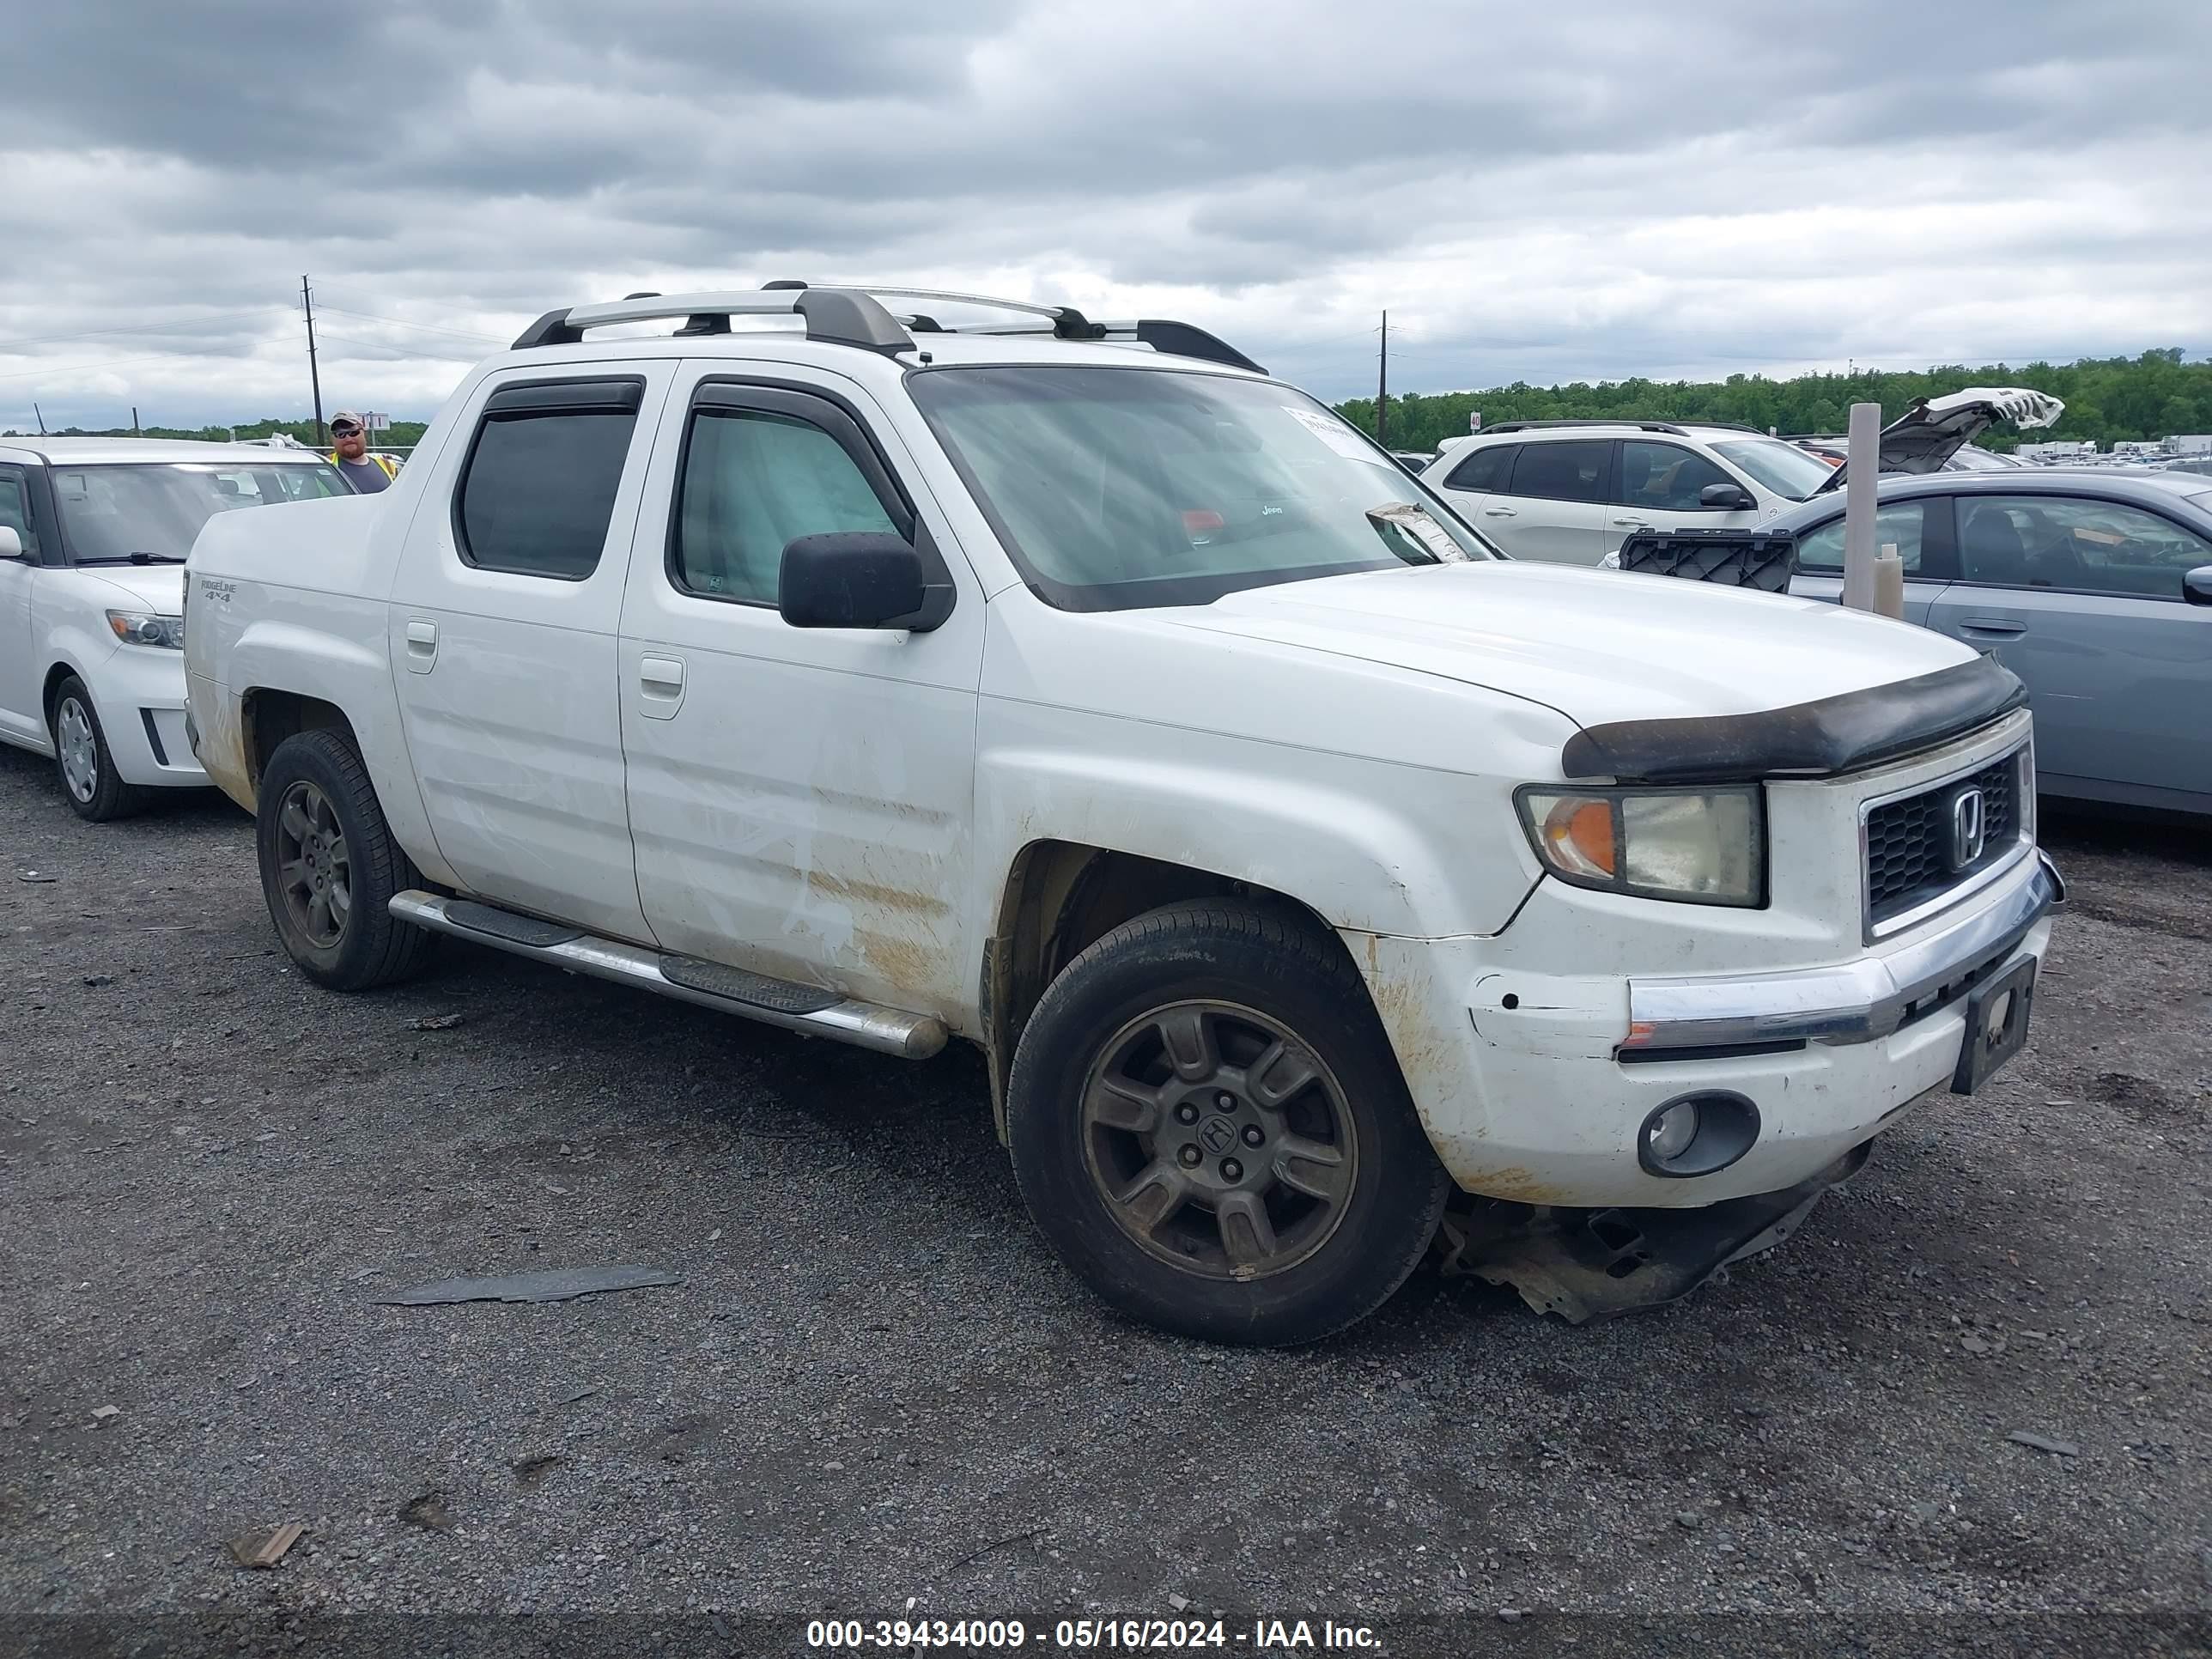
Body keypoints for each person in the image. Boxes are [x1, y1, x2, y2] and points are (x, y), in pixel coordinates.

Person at [328, 411, 398, 494]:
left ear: (363, 433)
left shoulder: (389, 467)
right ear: (332, 439)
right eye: (340, 434)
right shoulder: (324, 465)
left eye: (353, 432)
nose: (348, 439)